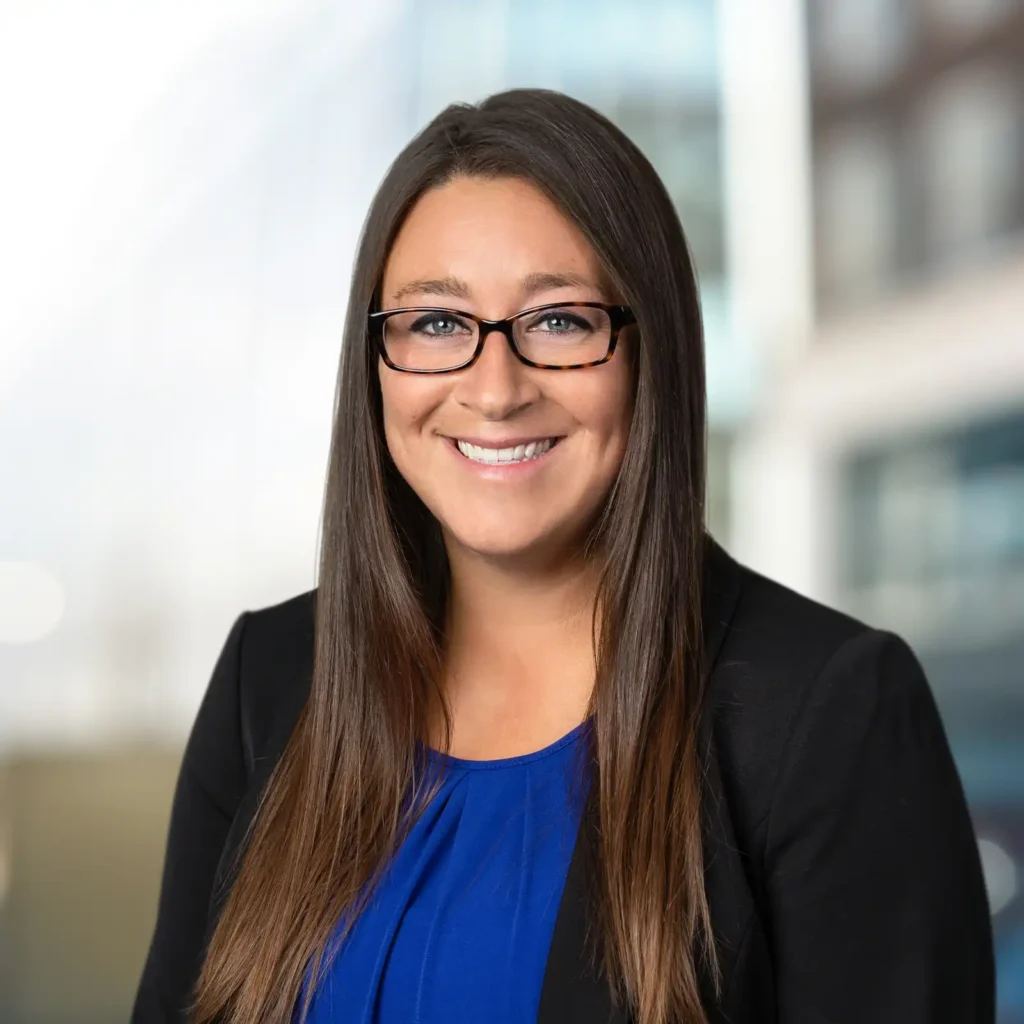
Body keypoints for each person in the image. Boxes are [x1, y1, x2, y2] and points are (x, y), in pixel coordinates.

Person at [130, 88, 994, 1024]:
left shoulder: (828, 712)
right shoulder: (270, 682)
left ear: (646, 349)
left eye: (559, 321)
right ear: (373, 364)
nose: (494, 390)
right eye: (434, 323)